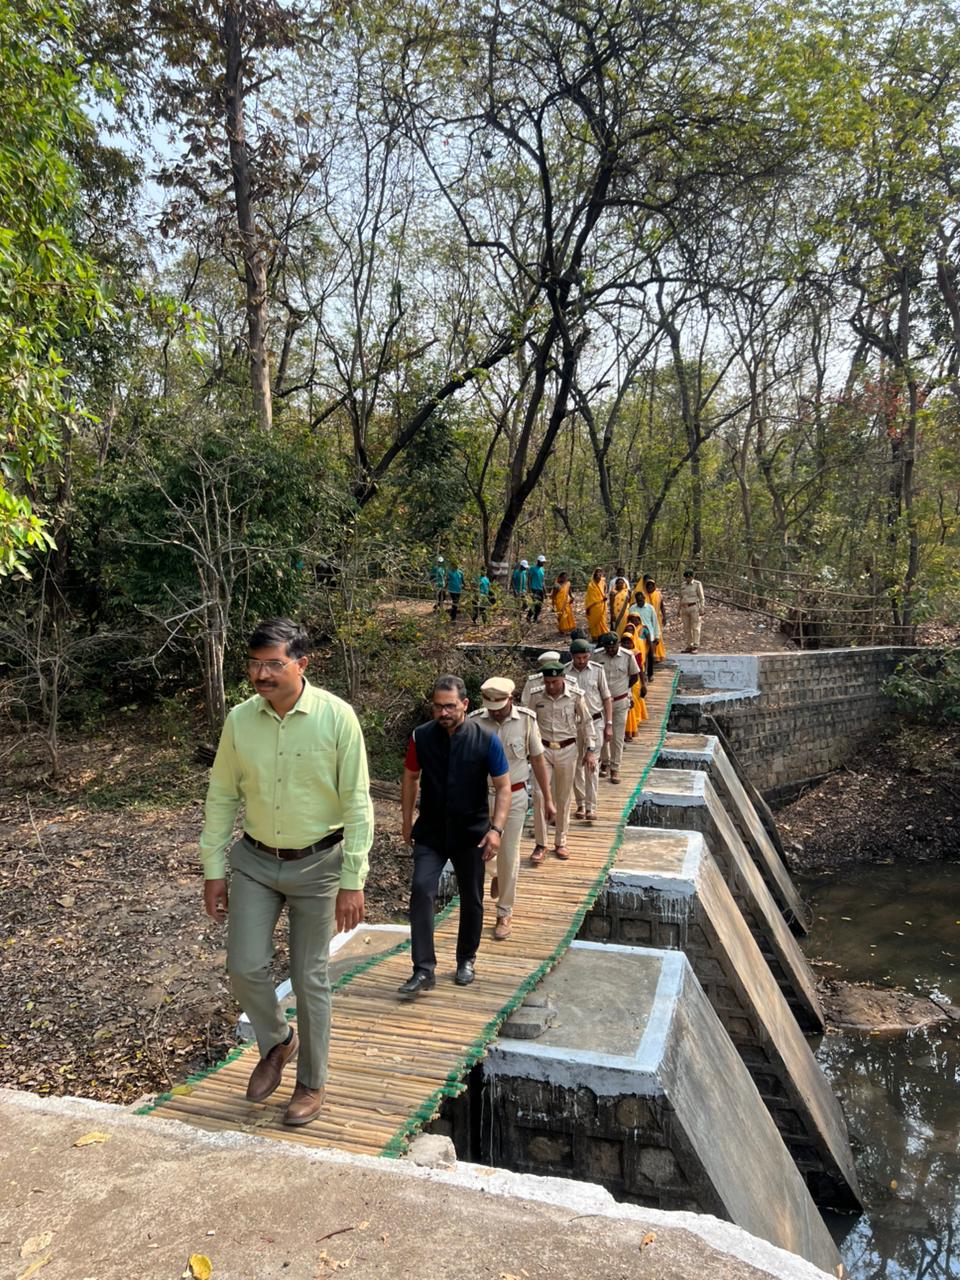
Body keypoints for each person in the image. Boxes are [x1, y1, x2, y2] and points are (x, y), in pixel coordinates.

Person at [199, 618, 373, 1127]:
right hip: (254, 861)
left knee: (308, 975)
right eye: (254, 664)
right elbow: (222, 795)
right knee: (244, 966)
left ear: (302, 664)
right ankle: (278, 1040)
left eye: (274, 663)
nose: (262, 674)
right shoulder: (240, 721)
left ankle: (311, 1082)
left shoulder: (337, 718)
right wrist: (213, 868)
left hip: (320, 866)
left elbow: (358, 804)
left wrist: (352, 878)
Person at [399, 675, 511, 995]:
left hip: (472, 833)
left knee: (471, 897)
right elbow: (410, 777)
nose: (443, 712)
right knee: (421, 889)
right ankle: (423, 969)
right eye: (437, 707)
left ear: (465, 705)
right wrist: (407, 822)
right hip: (432, 832)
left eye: (450, 706)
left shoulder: (486, 738)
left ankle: (466, 959)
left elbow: (503, 788)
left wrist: (496, 830)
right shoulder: (421, 737)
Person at [469, 677, 556, 940]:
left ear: (511, 698)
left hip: (516, 794)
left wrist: (548, 798)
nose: (495, 710)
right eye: (490, 705)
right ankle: (496, 873)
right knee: (480, 852)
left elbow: (538, 761)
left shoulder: (527, 721)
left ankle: (504, 911)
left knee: (509, 851)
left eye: (499, 705)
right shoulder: (474, 722)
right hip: (481, 797)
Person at [521, 655, 596, 862]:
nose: (551, 686)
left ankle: (560, 841)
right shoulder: (536, 696)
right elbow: (526, 721)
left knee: (563, 797)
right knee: (538, 794)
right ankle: (540, 843)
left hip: (567, 749)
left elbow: (587, 722)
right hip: (541, 750)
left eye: (555, 682)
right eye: (547, 682)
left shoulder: (575, 696)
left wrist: (590, 749)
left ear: (563, 678)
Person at [564, 638, 612, 822]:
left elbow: (607, 697)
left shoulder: (597, 671)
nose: (582, 661)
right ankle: (581, 804)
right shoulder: (565, 672)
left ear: (589, 655)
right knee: (576, 764)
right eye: (578, 658)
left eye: (585, 657)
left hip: (595, 721)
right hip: (573, 725)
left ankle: (592, 806)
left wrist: (609, 724)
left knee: (592, 763)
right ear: (572, 656)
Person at [594, 631, 643, 785]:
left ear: (617, 645)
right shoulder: (597, 656)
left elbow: (634, 675)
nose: (610, 650)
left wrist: (624, 690)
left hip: (620, 701)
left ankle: (615, 768)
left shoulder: (627, 656)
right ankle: (605, 762)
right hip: (601, 702)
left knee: (617, 735)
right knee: (601, 732)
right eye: (607, 648)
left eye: (613, 647)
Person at [620, 632, 649, 737]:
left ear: (633, 643)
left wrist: (643, 684)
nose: (626, 645)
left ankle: (634, 725)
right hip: (622, 682)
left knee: (633, 704)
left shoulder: (635, 653)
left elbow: (639, 669)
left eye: (629, 643)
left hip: (633, 681)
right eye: (624, 643)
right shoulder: (619, 654)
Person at [640, 576, 667, 660]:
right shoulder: (643, 595)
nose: (650, 587)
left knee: (657, 636)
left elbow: (662, 606)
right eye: (648, 586)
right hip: (647, 619)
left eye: (652, 586)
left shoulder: (658, 594)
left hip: (656, 619)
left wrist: (664, 616)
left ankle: (658, 654)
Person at [679, 568, 706, 652]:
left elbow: (701, 597)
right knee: (686, 628)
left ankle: (695, 645)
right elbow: (681, 598)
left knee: (695, 627)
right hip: (684, 608)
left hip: (694, 607)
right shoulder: (683, 585)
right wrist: (678, 609)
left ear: (692, 577)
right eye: (686, 577)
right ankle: (689, 645)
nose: (687, 579)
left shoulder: (697, 584)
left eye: (689, 577)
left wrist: (702, 608)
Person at [584, 567, 607, 642]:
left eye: (600, 572)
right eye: (597, 572)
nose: (599, 575)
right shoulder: (591, 585)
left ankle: (603, 636)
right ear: (594, 575)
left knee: (602, 621)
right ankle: (595, 637)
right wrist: (588, 608)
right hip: (593, 607)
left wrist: (604, 595)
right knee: (594, 622)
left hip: (602, 606)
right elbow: (590, 598)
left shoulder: (603, 581)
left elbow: (605, 589)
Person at [551, 571, 576, 635]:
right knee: (561, 616)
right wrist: (553, 605)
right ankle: (561, 629)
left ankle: (568, 628)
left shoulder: (567, 584)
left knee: (568, 614)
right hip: (559, 603)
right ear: (560, 578)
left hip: (567, 602)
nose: (565, 579)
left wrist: (572, 597)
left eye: (566, 577)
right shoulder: (556, 585)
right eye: (564, 577)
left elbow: (569, 592)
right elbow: (553, 596)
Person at [526, 555, 547, 622]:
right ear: (538, 561)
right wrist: (529, 589)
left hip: (540, 589)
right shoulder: (532, 568)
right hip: (534, 589)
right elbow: (529, 579)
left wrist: (545, 592)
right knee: (534, 604)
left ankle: (535, 618)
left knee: (540, 605)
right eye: (542, 562)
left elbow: (543, 581)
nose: (543, 563)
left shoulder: (542, 569)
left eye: (543, 562)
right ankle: (529, 617)